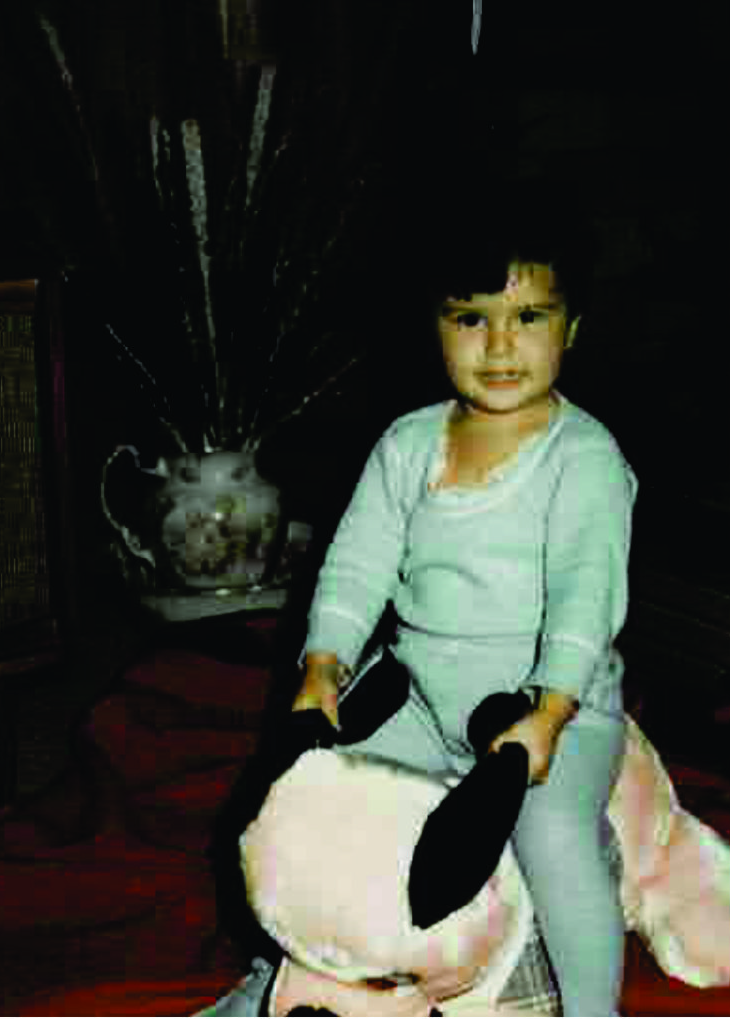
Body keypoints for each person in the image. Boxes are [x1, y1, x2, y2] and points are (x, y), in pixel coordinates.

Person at [291, 181, 637, 1016]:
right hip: (418, 694)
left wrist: (549, 713)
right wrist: (323, 662)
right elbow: (356, 564)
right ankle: (292, 979)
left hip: (550, 709)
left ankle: (595, 1009)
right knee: (324, 804)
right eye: (470, 318)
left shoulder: (583, 458)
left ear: (572, 328)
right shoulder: (407, 443)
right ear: (435, 326)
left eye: (529, 316)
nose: (500, 345)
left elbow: (583, 598)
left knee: (552, 836)